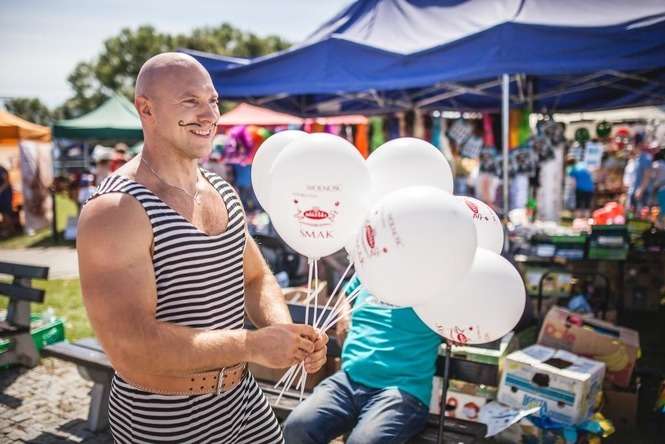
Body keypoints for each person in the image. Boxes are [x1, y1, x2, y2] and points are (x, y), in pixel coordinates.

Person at [76, 53, 327, 444]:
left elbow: (256, 278)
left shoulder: (222, 191)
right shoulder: (115, 210)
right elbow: (130, 346)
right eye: (190, 101)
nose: (210, 114)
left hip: (243, 402)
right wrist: (252, 344)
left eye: (213, 100)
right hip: (164, 419)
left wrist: (285, 334)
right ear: (146, 109)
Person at [283, 276, 441, 444]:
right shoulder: (371, 267)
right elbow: (347, 293)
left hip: (402, 390)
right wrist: (343, 314)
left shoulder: (435, 278)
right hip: (348, 380)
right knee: (296, 428)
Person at [636, 147, 665, 227]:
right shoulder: (663, 164)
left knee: (659, 211)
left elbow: (651, 177)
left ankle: (660, 227)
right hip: (662, 190)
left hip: (660, 190)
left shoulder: (656, 165)